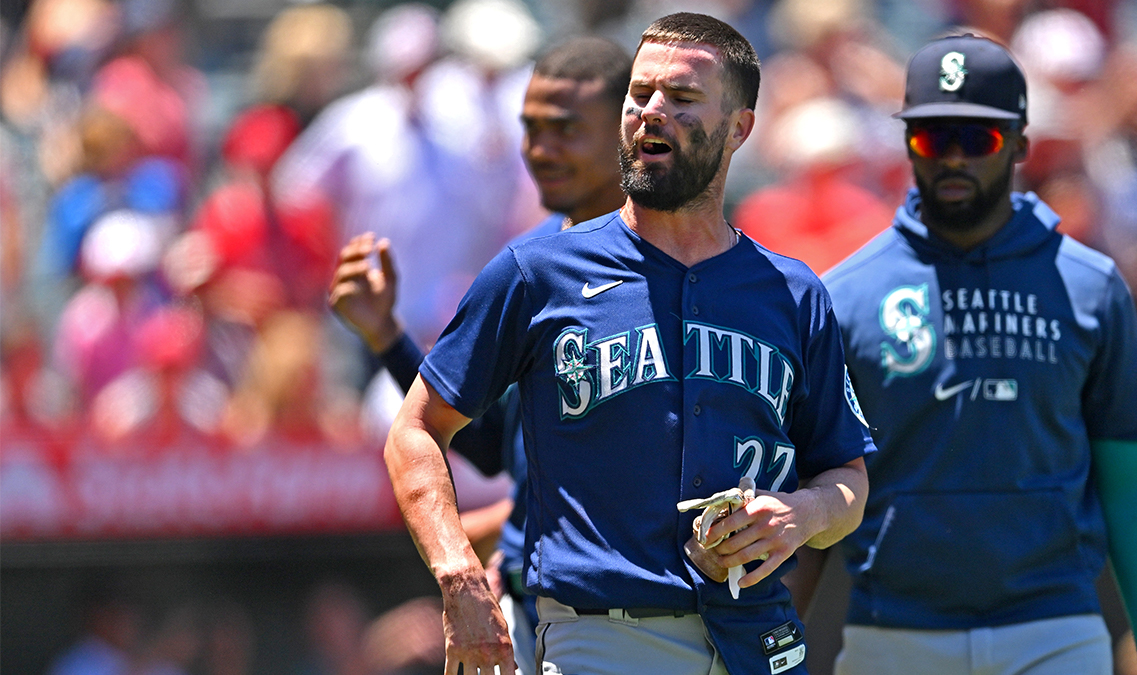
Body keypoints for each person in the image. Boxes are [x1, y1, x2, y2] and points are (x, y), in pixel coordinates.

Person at [381, 12, 873, 675]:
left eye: (682, 98)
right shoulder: (539, 272)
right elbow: (415, 429)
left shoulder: (793, 291)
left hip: (759, 641)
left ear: (739, 128)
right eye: (640, 94)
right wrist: (459, 577)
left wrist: (801, 512)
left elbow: (847, 478)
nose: (652, 112)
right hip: (604, 642)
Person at [820, 34, 1137, 675]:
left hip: (1055, 634)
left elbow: (1131, 481)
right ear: (908, 143)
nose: (953, 158)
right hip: (892, 636)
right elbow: (815, 481)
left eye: (978, 138)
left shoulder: (1091, 287)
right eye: (934, 138)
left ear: (1019, 144)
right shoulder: (844, 295)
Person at [329, 35, 633, 674]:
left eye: (567, 130)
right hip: (539, 622)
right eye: (532, 129)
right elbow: (496, 444)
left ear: (627, 134)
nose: (541, 150)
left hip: (646, 627)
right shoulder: (529, 265)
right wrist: (388, 339)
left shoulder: (684, 266)